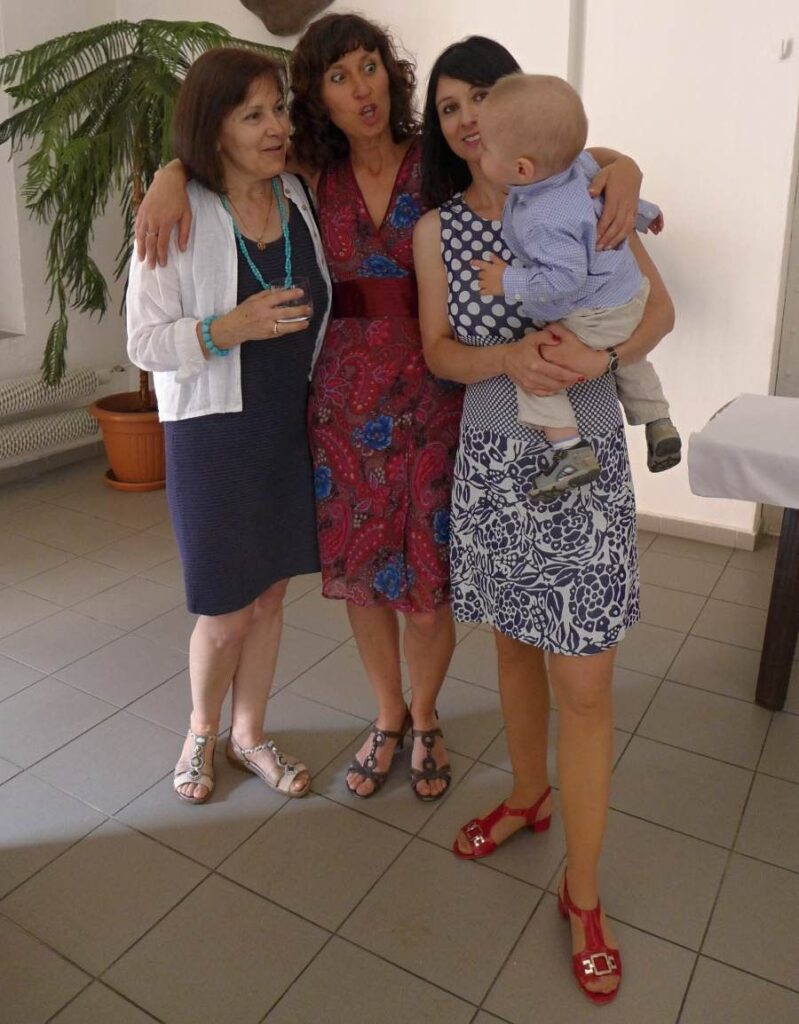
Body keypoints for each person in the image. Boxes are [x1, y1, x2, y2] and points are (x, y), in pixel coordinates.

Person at [134, 14, 642, 806]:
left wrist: (624, 167)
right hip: (341, 398)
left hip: (438, 389)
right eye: (336, 78)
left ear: (389, 72)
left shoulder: (437, 158)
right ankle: (387, 714)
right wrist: (171, 174)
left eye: (368, 66)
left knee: (428, 586)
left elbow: (551, 155)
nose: (359, 89)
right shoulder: (307, 172)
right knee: (366, 577)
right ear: (318, 97)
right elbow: (219, 149)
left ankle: (427, 715)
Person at [414, 36, 675, 1004]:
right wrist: (506, 360)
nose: (467, 117)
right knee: (515, 648)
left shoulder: (591, 192)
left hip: (584, 454)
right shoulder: (439, 231)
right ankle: (527, 797)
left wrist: (600, 361)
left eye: (481, 96)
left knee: (587, 681)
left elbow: (657, 313)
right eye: (449, 106)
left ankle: (584, 891)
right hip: (494, 457)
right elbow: (439, 350)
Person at [127, 48, 331, 804]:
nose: (276, 127)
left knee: (271, 596)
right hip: (213, 435)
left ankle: (249, 735)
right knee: (223, 608)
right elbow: (144, 344)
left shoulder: (296, 192)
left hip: (287, 425)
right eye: (253, 115)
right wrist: (226, 329)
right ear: (214, 129)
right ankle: (200, 731)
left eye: (278, 109)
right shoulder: (177, 214)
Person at [472, 72, 680, 501]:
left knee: (539, 364)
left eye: (486, 148)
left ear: (522, 168)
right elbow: (611, 195)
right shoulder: (579, 165)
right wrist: (645, 212)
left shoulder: (542, 219)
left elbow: (565, 280)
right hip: (628, 293)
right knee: (630, 354)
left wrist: (506, 279)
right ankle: (659, 421)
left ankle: (570, 450)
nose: (480, 151)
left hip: (596, 309)